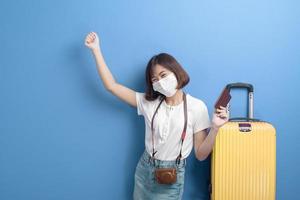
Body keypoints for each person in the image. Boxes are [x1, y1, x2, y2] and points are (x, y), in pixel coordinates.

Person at [84, 32, 229, 200]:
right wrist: (96, 50)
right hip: (144, 169)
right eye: (154, 79)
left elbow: (201, 154)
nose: (159, 82)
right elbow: (112, 86)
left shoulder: (196, 107)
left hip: (171, 176)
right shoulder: (148, 103)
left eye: (163, 75)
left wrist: (216, 128)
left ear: (176, 72)